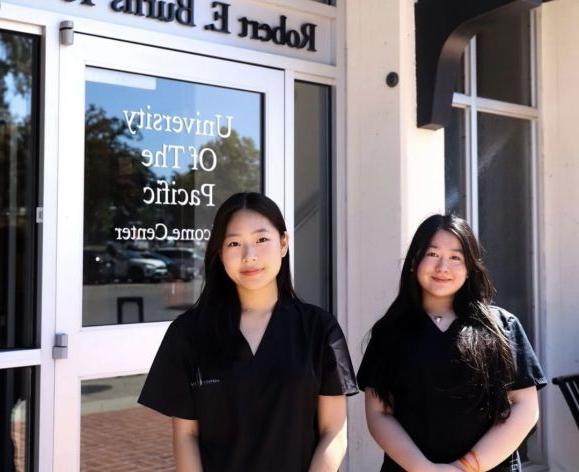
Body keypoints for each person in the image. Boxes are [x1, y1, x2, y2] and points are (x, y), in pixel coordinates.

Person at [139, 192, 358, 472]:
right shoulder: (188, 333)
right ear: (219, 253)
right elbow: (186, 436)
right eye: (234, 243)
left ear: (283, 244)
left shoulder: (319, 329)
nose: (249, 256)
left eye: (261, 239)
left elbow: (334, 431)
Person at [357, 214, 546, 472]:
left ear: (470, 268)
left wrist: (464, 467)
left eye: (456, 257)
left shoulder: (502, 326)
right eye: (432, 254)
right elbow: (379, 414)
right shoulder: (389, 332)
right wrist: (425, 469)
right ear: (414, 261)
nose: (443, 267)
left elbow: (524, 407)